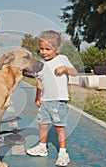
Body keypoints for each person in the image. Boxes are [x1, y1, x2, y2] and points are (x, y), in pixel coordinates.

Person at [26, 30, 78, 166]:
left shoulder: (62, 59)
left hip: (58, 101)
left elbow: (74, 72)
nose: (44, 52)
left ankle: (63, 153)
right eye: (42, 49)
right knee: (42, 125)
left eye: (48, 49)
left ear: (57, 49)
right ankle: (42, 147)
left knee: (59, 126)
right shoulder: (41, 64)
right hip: (45, 101)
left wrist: (65, 69)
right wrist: (38, 97)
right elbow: (39, 82)